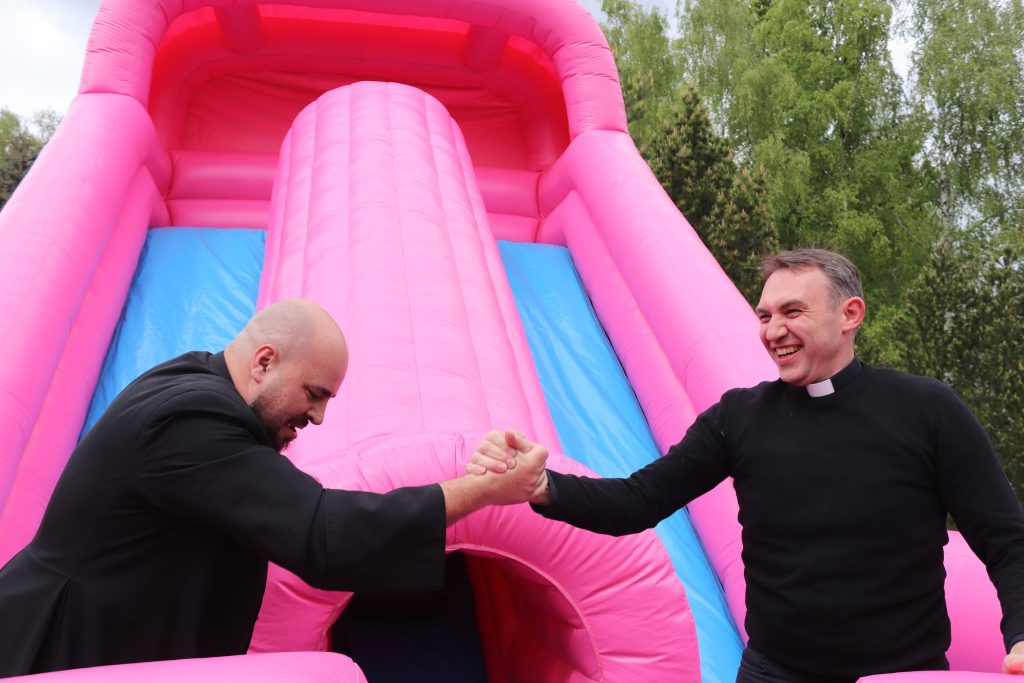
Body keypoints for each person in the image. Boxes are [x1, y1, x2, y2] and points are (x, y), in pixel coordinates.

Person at [470, 249, 1024, 682]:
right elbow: (636, 502)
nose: (772, 331)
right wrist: (542, 484)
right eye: (764, 316)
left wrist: (1022, 633)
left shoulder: (927, 410)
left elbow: (1004, 538)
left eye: (792, 312)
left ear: (850, 314)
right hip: (773, 673)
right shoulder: (739, 417)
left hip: (899, 675)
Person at [0, 298, 547, 678]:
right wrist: (483, 490)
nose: (319, 416)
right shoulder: (190, 419)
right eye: (314, 393)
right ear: (265, 361)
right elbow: (321, 532)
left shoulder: (198, 383)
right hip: (58, 650)